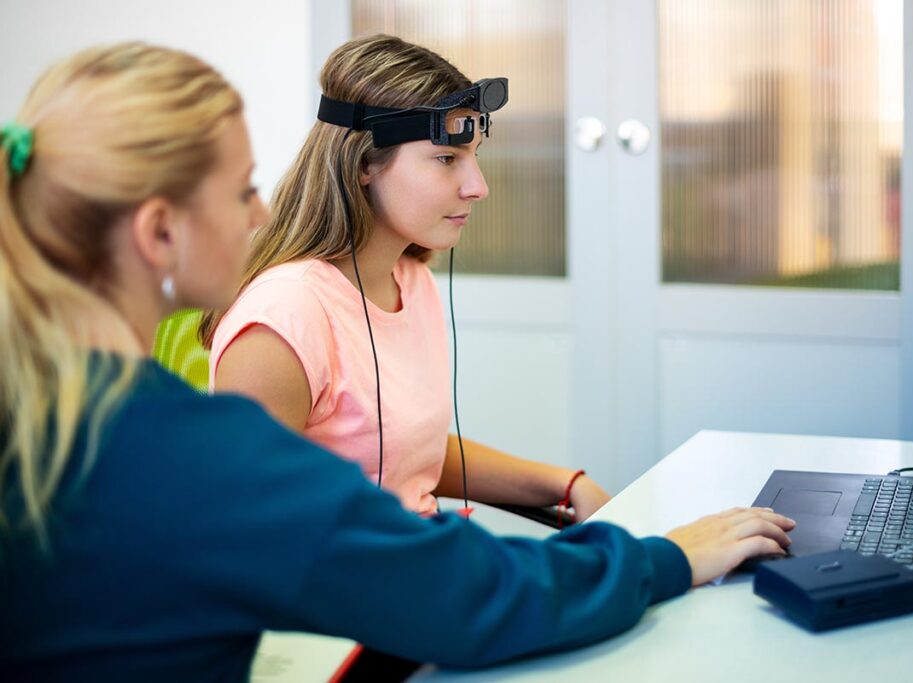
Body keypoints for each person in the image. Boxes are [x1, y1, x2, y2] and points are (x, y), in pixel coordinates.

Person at [0, 41, 795, 682]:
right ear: (157, 232)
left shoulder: (52, 410)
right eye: (241, 189)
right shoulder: (195, 448)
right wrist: (665, 557)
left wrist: (560, 486)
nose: (260, 210)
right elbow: (463, 597)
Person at [201, 34, 610, 520]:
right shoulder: (283, 320)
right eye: (446, 159)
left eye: (474, 156)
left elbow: (412, 451)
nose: (478, 186)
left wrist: (566, 485)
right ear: (364, 166)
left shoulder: (411, 281)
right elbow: (248, 531)